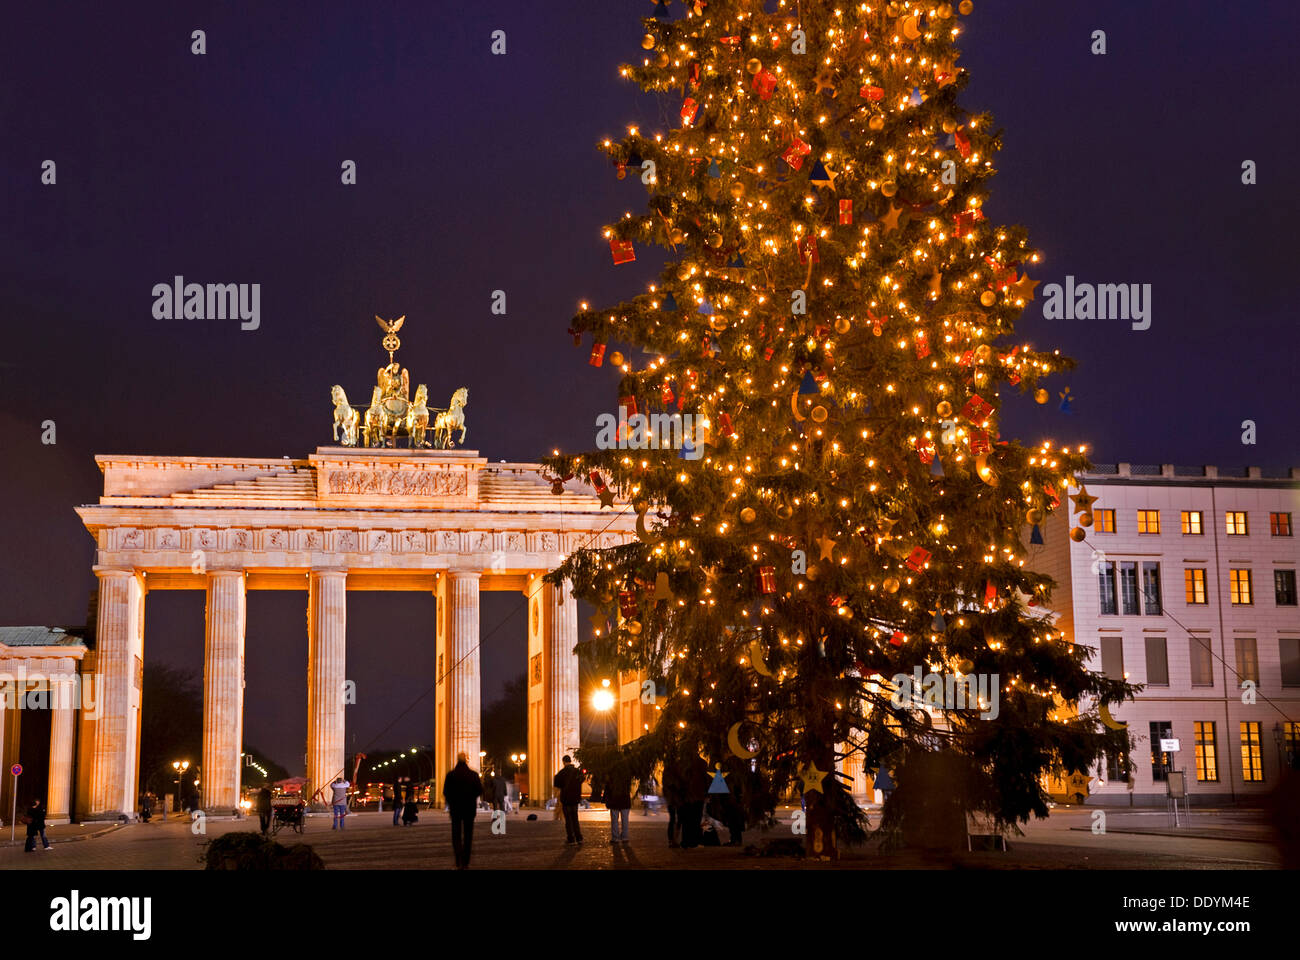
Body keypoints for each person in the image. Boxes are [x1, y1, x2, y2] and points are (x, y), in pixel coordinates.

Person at [442, 751, 483, 869]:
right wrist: (471, 798)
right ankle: (466, 862)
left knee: (456, 835)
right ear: (466, 760)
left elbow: (446, 792)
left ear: (457, 760)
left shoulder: (450, 775)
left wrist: (452, 802)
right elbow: (479, 790)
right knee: (468, 836)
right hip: (469, 809)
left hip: (455, 809)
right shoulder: (473, 775)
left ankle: (458, 861)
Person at [679, 752, 710, 849]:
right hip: (697, 796)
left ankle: (686, 841)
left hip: (686, 797)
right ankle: (693, 841)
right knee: (695, 819)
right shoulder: (702, 763)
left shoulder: (682, 763)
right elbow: (706, 779)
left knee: (686, 820)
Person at [553, 756, 585, 845]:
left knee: (568, 820)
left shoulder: (562, 773)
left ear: (563, 762)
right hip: (575, 799)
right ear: (570, 761)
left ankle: (571, 839)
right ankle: (579, 838)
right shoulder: (577, 771)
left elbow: (557, 784)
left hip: (566, 799)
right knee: (575, 819)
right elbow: (582, 779)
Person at [601, 767, 633, 845]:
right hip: (625, 801)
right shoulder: (627, 776)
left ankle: (615, 838)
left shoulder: (611, 777)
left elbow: (607, 789)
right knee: (625, 820)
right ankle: (625, 837)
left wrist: (606, 800)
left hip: (614, 801)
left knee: (614, 820)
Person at [662, 758, 684, 847]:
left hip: (672, 799)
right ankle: (674, 839)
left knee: (674, 819)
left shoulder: (667, 772)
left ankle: (673, 840)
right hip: (675, 799)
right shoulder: (675, 772)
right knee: (677, 819)